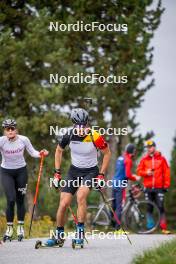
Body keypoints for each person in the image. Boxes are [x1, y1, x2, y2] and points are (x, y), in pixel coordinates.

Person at [46, 108, 111, 247]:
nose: (81, 129)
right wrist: (57, 173)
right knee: (63, 203)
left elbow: (107, 154)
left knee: (81, 196)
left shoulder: (95, 136)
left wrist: (101, 174)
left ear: (87, 124)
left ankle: (80, 233)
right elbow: (58, 151)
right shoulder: (69, 135)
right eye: (78, 126)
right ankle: (59, 235)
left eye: (84, 125)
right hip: (73, 171)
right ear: (73, 125)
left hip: (91, 171)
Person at [0, 119, 48, 241]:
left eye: (12, 128)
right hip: (6, 172)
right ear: (4, 131)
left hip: (21, 171)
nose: (10, 131)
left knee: (20, 200)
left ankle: (21, 227)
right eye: (7, 129)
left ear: (16, 129)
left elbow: (33, 152)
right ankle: (10, 229)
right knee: (11, 199)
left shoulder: (23, 139)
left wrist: (41, 153)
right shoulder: (1, 141)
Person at [137, 140, 170, 234]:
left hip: (159, 187)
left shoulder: (162, 159)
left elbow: (166, 172)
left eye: (150, 147)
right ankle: (150, 228)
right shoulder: (144, 159)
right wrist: (146, 173)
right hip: (148, 187)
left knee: (160, 207)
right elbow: (139, 171)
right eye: (147, 147)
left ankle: (163, 228)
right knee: (149, 207)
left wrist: (166, 185)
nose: (148, 149)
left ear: (154, 147)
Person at [112, 143, 140, 234]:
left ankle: (112, 224)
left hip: (114, 183)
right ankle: (117, 229)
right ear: (132, 151)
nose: (135, 153)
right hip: (120, 185)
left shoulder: (120, 158)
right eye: (134, 151)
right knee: (119, 207)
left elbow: (120, 171)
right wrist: (135, 177)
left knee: (114, 206)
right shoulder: (128, 160)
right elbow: (127, 174)